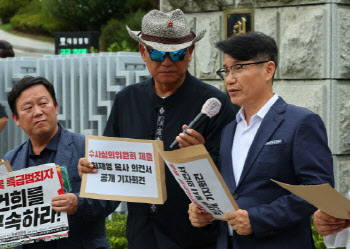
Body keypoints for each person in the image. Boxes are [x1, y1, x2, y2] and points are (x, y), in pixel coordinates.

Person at [78, 9, 235, 249]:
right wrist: (91, 170)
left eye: (177, 53)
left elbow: (233, 174)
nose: (167, 62)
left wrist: (200, 157)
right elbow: (108, 162)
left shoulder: (214, 104)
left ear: (190, 53)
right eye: (157, 53)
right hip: (141, 236)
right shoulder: (126, 99)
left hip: (196, 238)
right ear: (143, 52)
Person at [188, 31, 334, 249]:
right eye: (226, 70)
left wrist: (258, 219)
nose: (229, 79)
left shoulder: (301, 122)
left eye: (238, 67)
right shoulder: (229, 129)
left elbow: (319, 190)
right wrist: (206, 213)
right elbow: (232, 193)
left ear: (268, 69)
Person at [4, 76, 117, 249]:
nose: (38, 112)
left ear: (56, 107)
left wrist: (77, 204)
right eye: (28, 107)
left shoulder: (88, 147)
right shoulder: (10, 161)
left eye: (43, 103)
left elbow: (111, 197)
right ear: (16, 119)